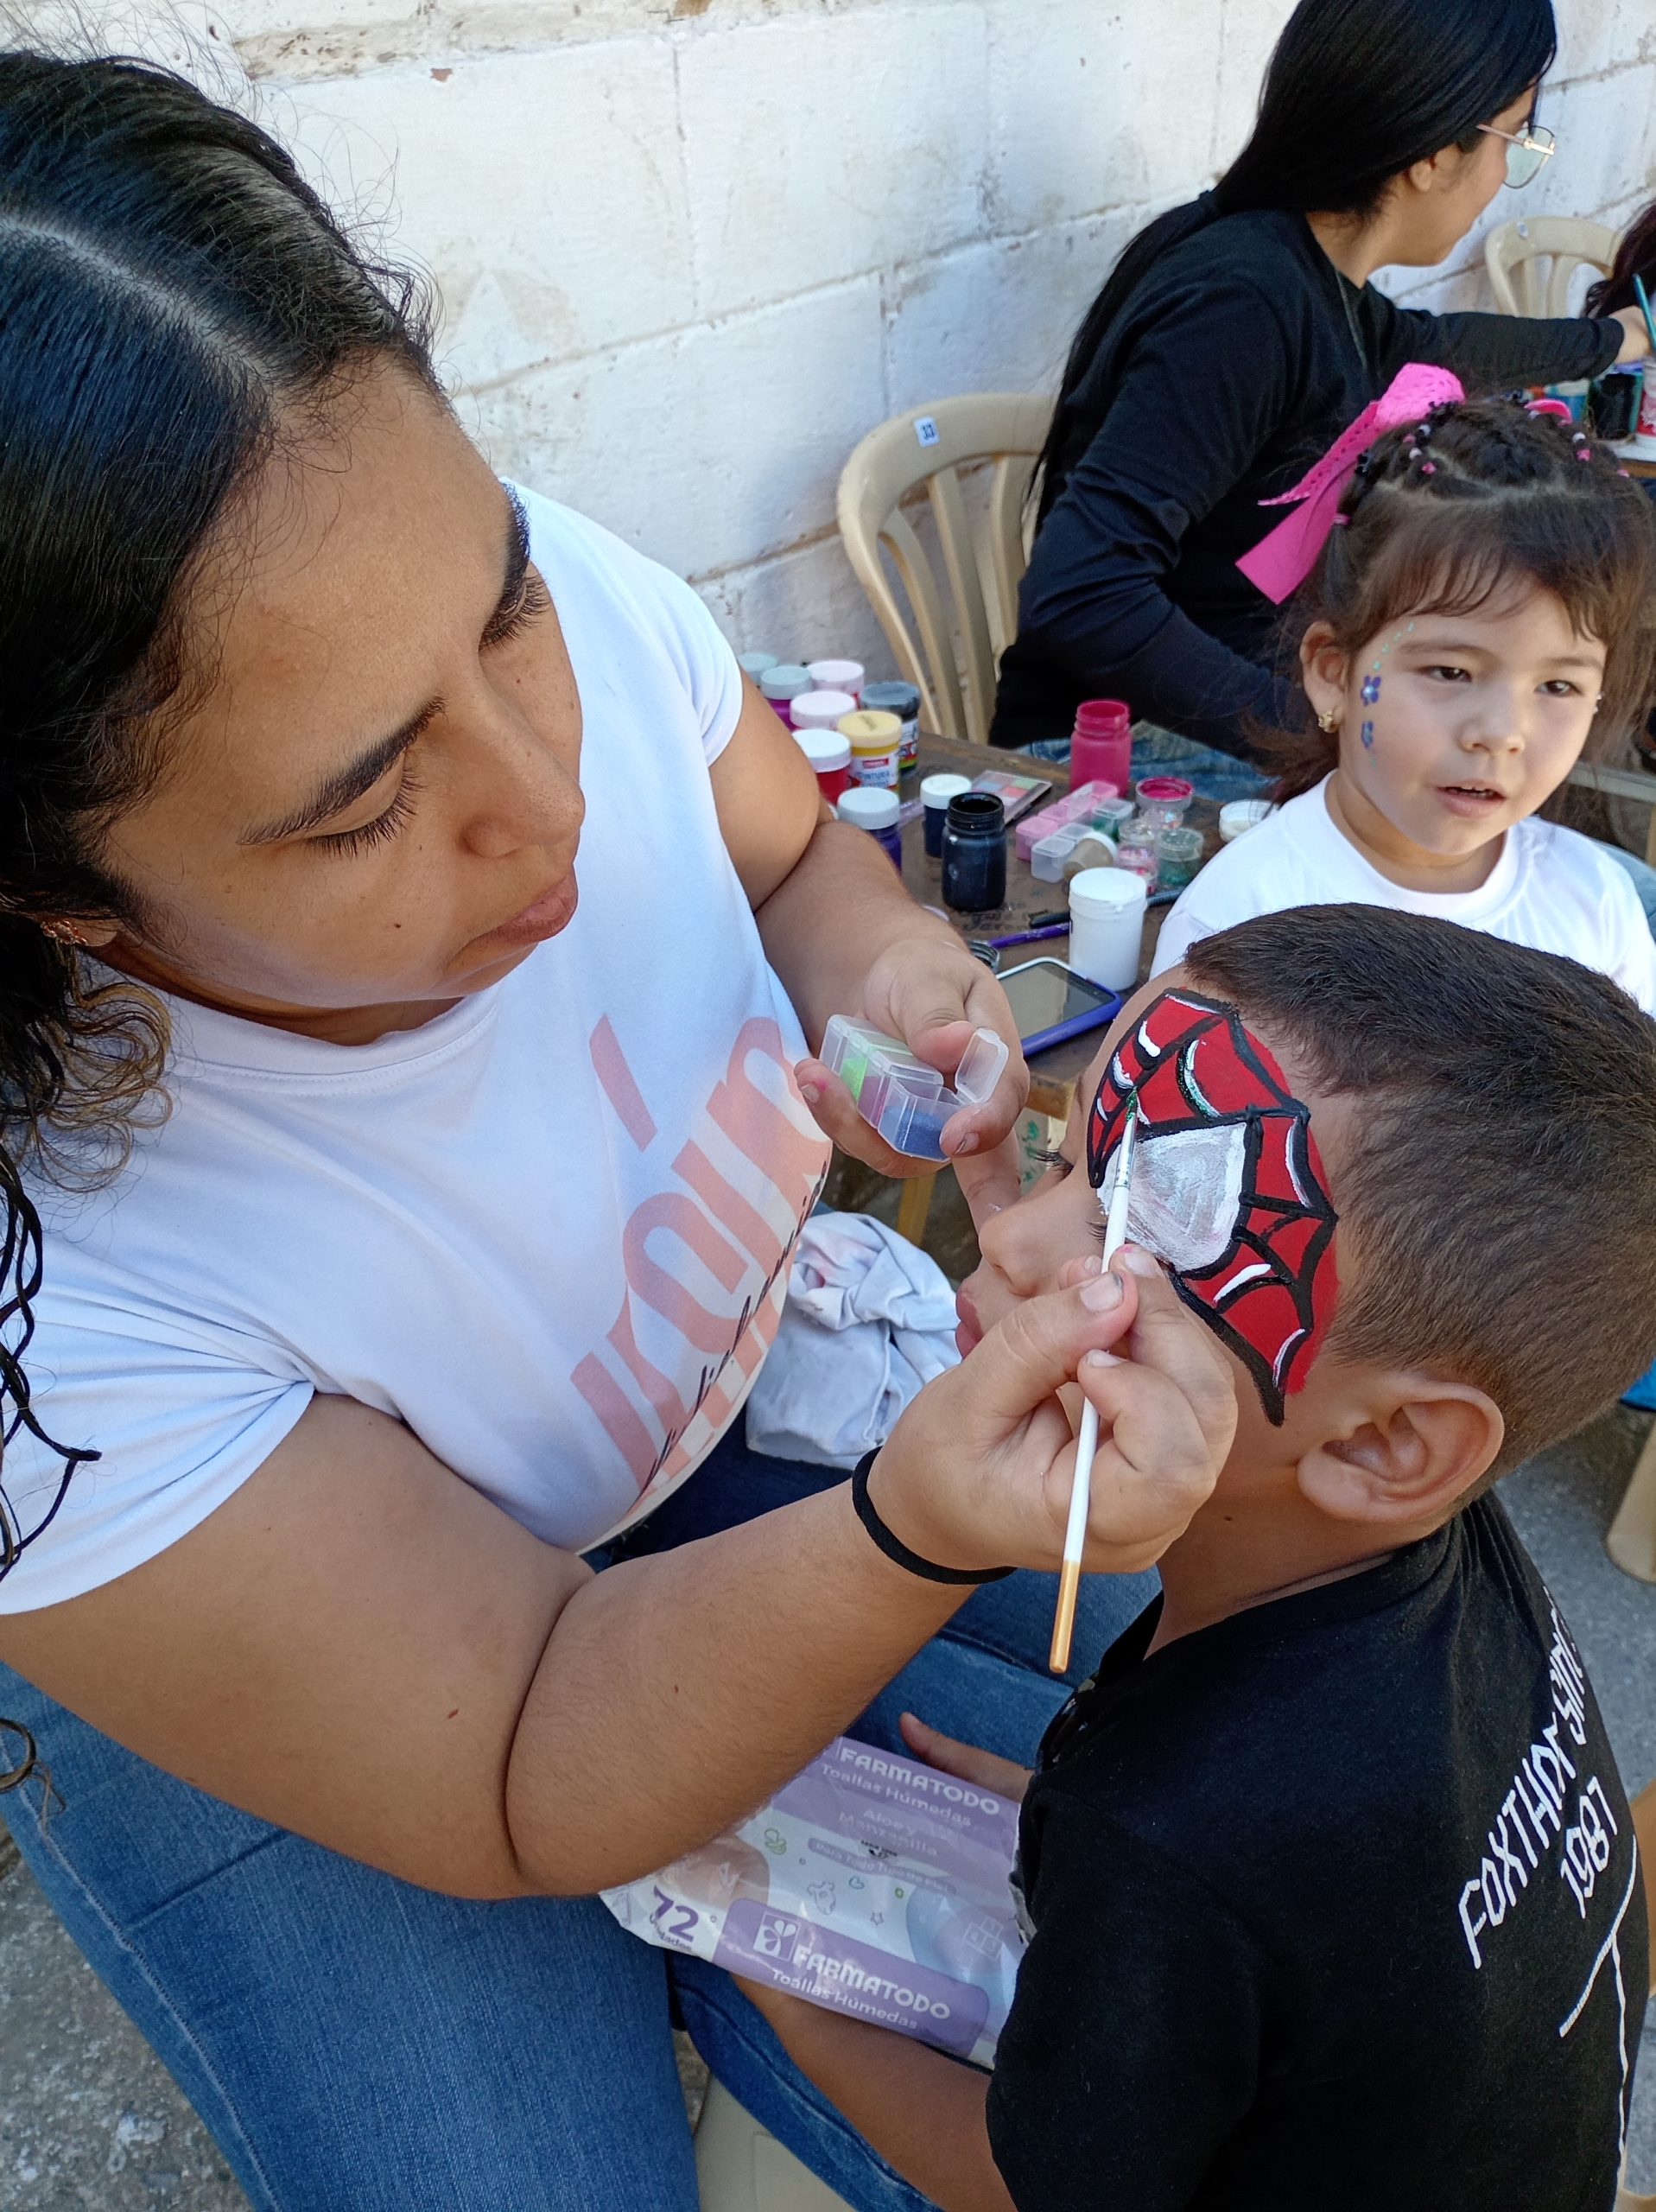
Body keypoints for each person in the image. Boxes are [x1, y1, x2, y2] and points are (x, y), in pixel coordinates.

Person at [0, 51, 1235, 2212]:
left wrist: (905, 1004)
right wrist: (913, 1526)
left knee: (1235, 1831)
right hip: (297, 1647)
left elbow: (786, 864)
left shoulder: (513, 592)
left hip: (691, 1429)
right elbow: (507, 1748)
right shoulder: (56, 1315)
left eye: (504, 614)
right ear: (62, 904)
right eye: (364, 801)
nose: (548, 801)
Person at [737, 906, 1656, 2212]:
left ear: (1394, 1442)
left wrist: (798, 2006)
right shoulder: (1440, 1557)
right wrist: (1059, 1838)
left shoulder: (1174, 1839)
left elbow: (1027, 2182)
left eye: (1138, 1242)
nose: (1006, 1241)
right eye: (1066, 1163)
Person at [990, 0, 1653, 771]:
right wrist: (1321, 729)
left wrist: (1621, 337)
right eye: (1514, 140)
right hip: (1130, 744)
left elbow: (1434, 344)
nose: (1506, 177)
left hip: (1236, 701)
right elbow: (1082, 592)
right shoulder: (1242, 305)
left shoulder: (1313, 279)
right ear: (1434, 156)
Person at [1151, 396, 1656, 1000]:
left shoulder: (1596, 905)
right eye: (1449, 672)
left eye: (1557, 685)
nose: (1500, 732)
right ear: (1334, 673)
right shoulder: (1238, 927)